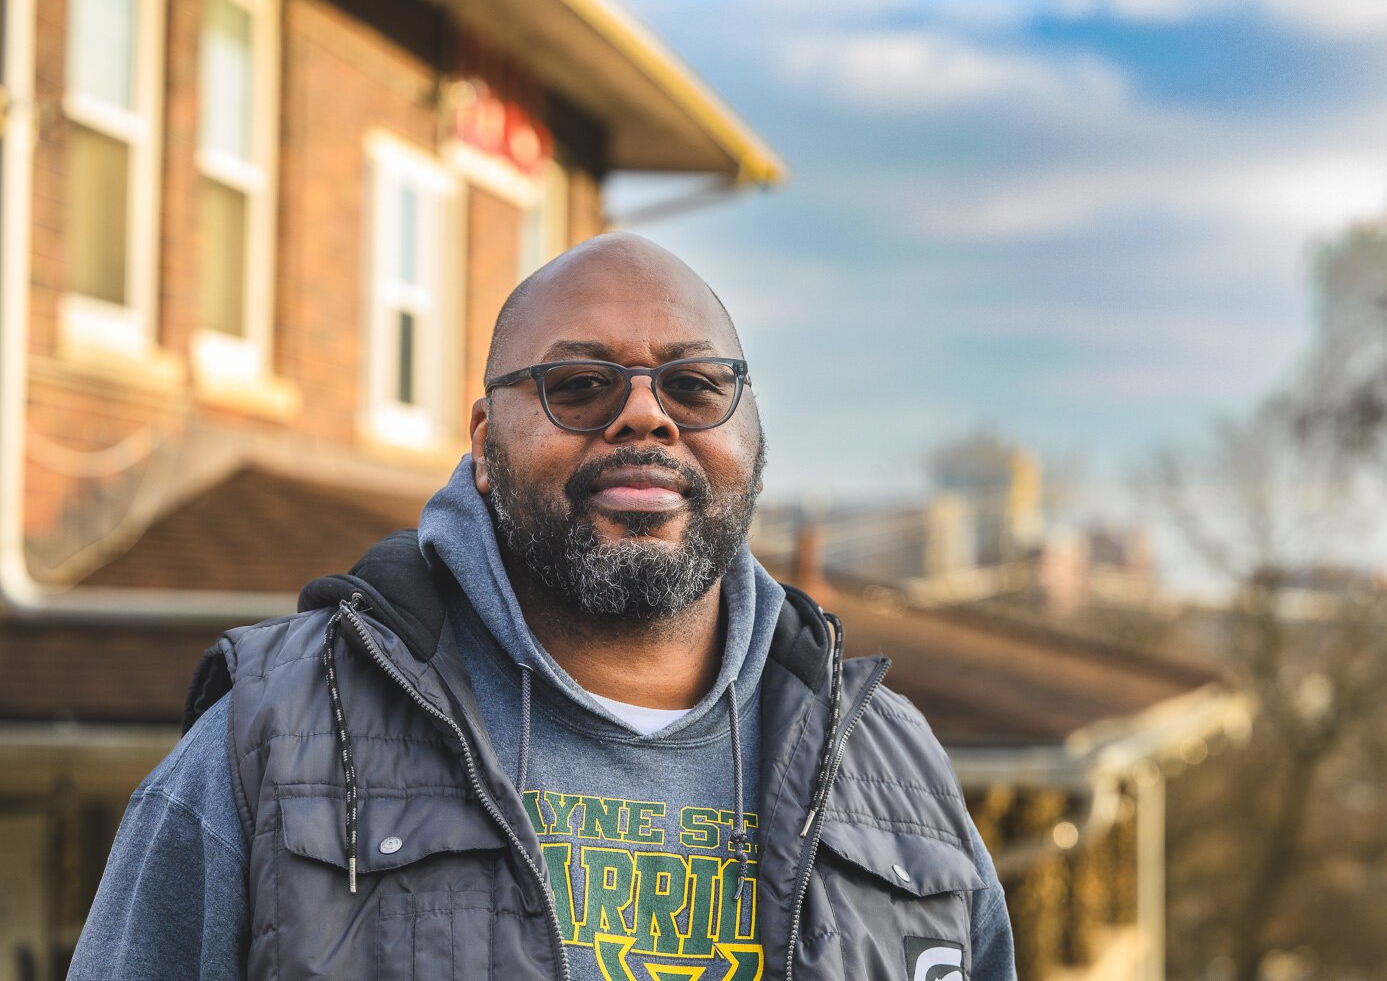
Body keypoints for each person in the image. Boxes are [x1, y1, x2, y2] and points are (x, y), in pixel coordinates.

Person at [68, 234, 1016, 980]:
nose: (646, 416)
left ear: (752, 431)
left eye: (694, 386)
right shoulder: (276, 743)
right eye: (579, 385)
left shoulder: (897, 776)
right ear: (484, 441)